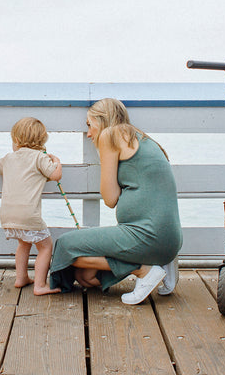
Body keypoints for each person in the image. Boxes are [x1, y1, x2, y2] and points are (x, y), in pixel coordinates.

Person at [49, 98, 182, 305]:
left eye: (89, 125)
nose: (89, 134)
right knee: (83, 275)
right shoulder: (143, 138)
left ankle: (144, 270)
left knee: (65, 247)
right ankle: (161, 262)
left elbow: (110, 199)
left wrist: (103, 155)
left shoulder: (110, 135)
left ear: (103, 121)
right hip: (169, 239)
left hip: (146, 235)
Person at [0, 117, 63, 295]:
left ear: (16, 140)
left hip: (8, 215)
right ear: (42, 141)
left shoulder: (9, 158)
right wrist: (57, 161)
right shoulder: (39, 158)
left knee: (23, 244)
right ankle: (40, 285)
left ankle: (21, 277)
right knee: (45, 247)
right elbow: (55, 175)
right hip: (29, 215)